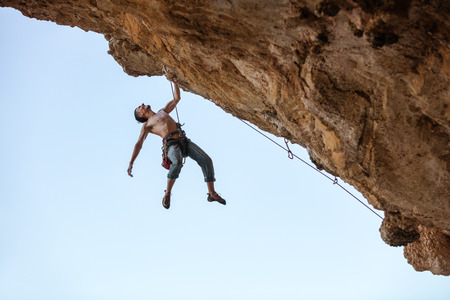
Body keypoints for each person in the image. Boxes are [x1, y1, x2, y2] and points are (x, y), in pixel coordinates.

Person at [127, 79, 226, 209]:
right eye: (140, 107)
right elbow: (139, 144)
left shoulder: (163, 111)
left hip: (183, 140)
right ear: (141, 114)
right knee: (177, 163)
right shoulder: (147, 125)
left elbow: (177, 98)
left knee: (206, 160)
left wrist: (174, 81)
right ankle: (167, 193)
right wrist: (131, 162)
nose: (142, 104)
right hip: (171, 145)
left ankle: (212, 193)